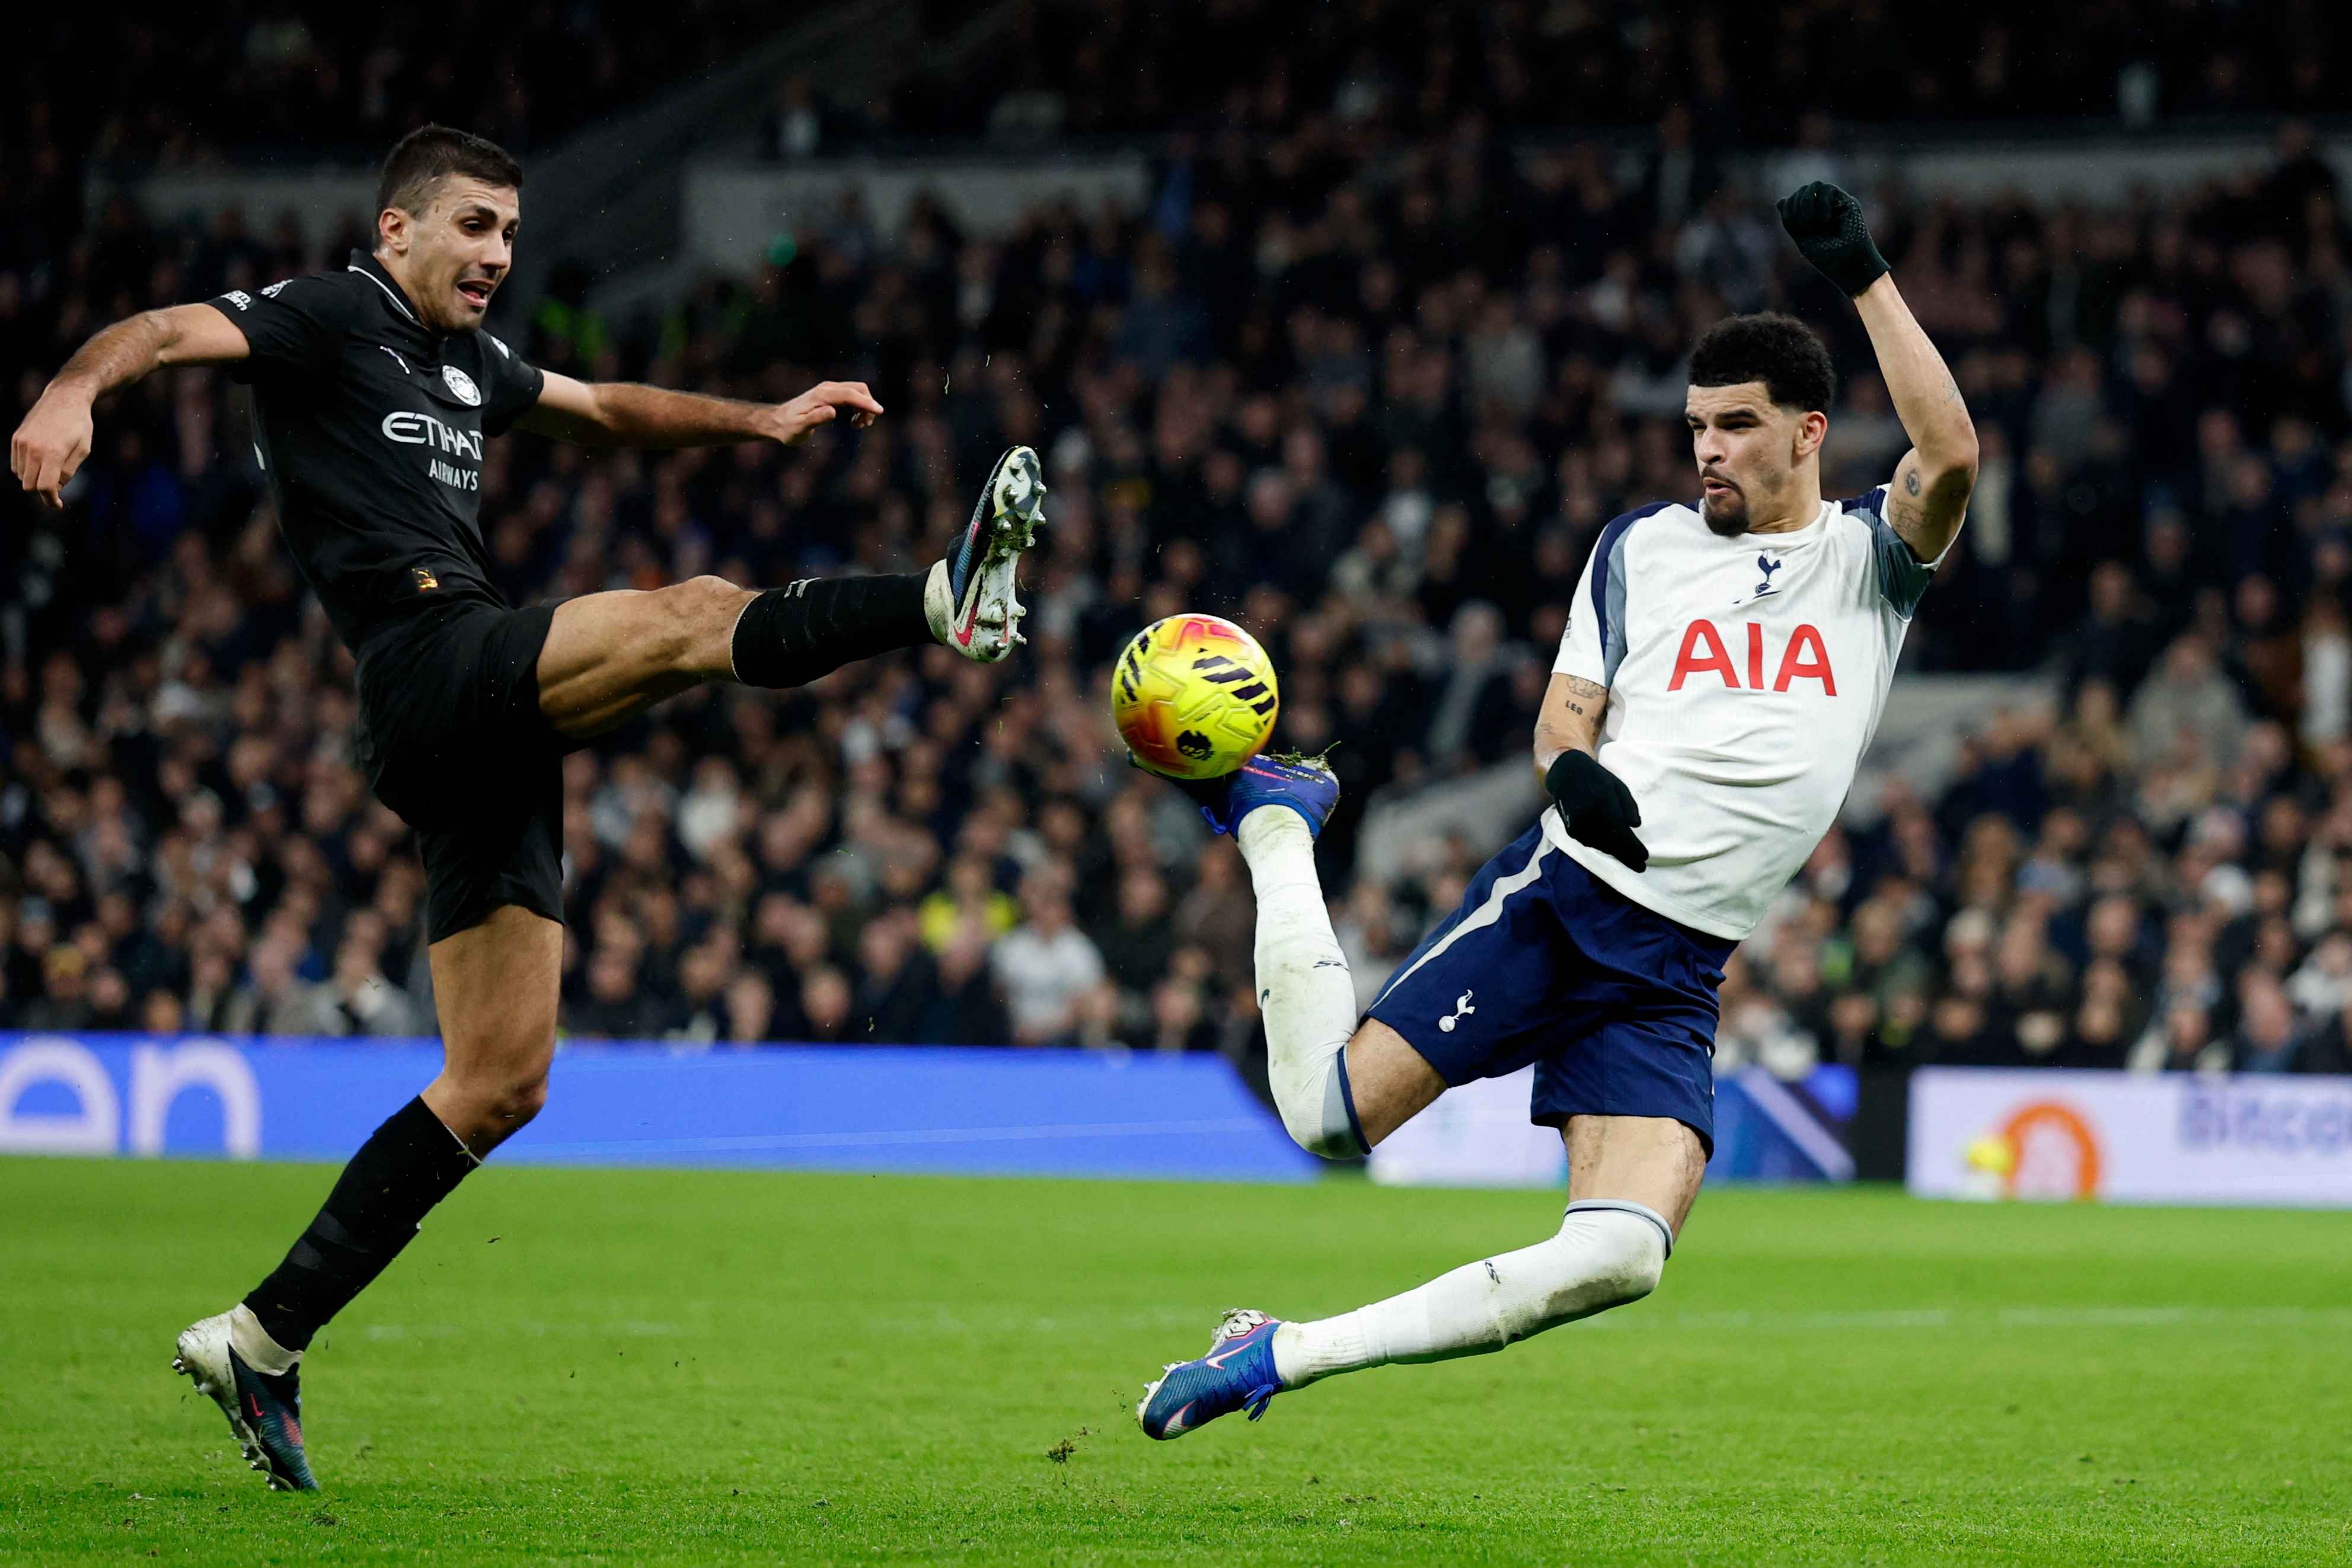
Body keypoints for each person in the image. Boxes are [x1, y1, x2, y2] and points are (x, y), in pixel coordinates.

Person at [8, 124, 1046, 1491]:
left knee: (503, 1081)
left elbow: (608, 407)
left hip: (475, 721)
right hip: (427, 662)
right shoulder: (331, 317)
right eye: (474, 227)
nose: (499, 254)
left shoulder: (468, 363)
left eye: (509, 232)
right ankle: (938, 600)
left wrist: (764, 415)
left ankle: (261, 1340)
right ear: (398, 231)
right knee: (690, 619)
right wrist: (70, 394)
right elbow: (150, 331)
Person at [1135, 184, 1976, 1439]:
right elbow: (1565, 709)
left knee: (1620, 1258)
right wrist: (1567, 775)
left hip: (1678, 964)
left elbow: (1951, 455)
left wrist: (1862, 276)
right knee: (1325, 1120)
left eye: (1736, 428)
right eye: (1694, 426)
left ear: (1809, 434)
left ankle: (1278, 1355)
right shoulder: (1640, 548)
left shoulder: (1869, 564)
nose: (1706, 451)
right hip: (1569, 904)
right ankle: (1276, 825)